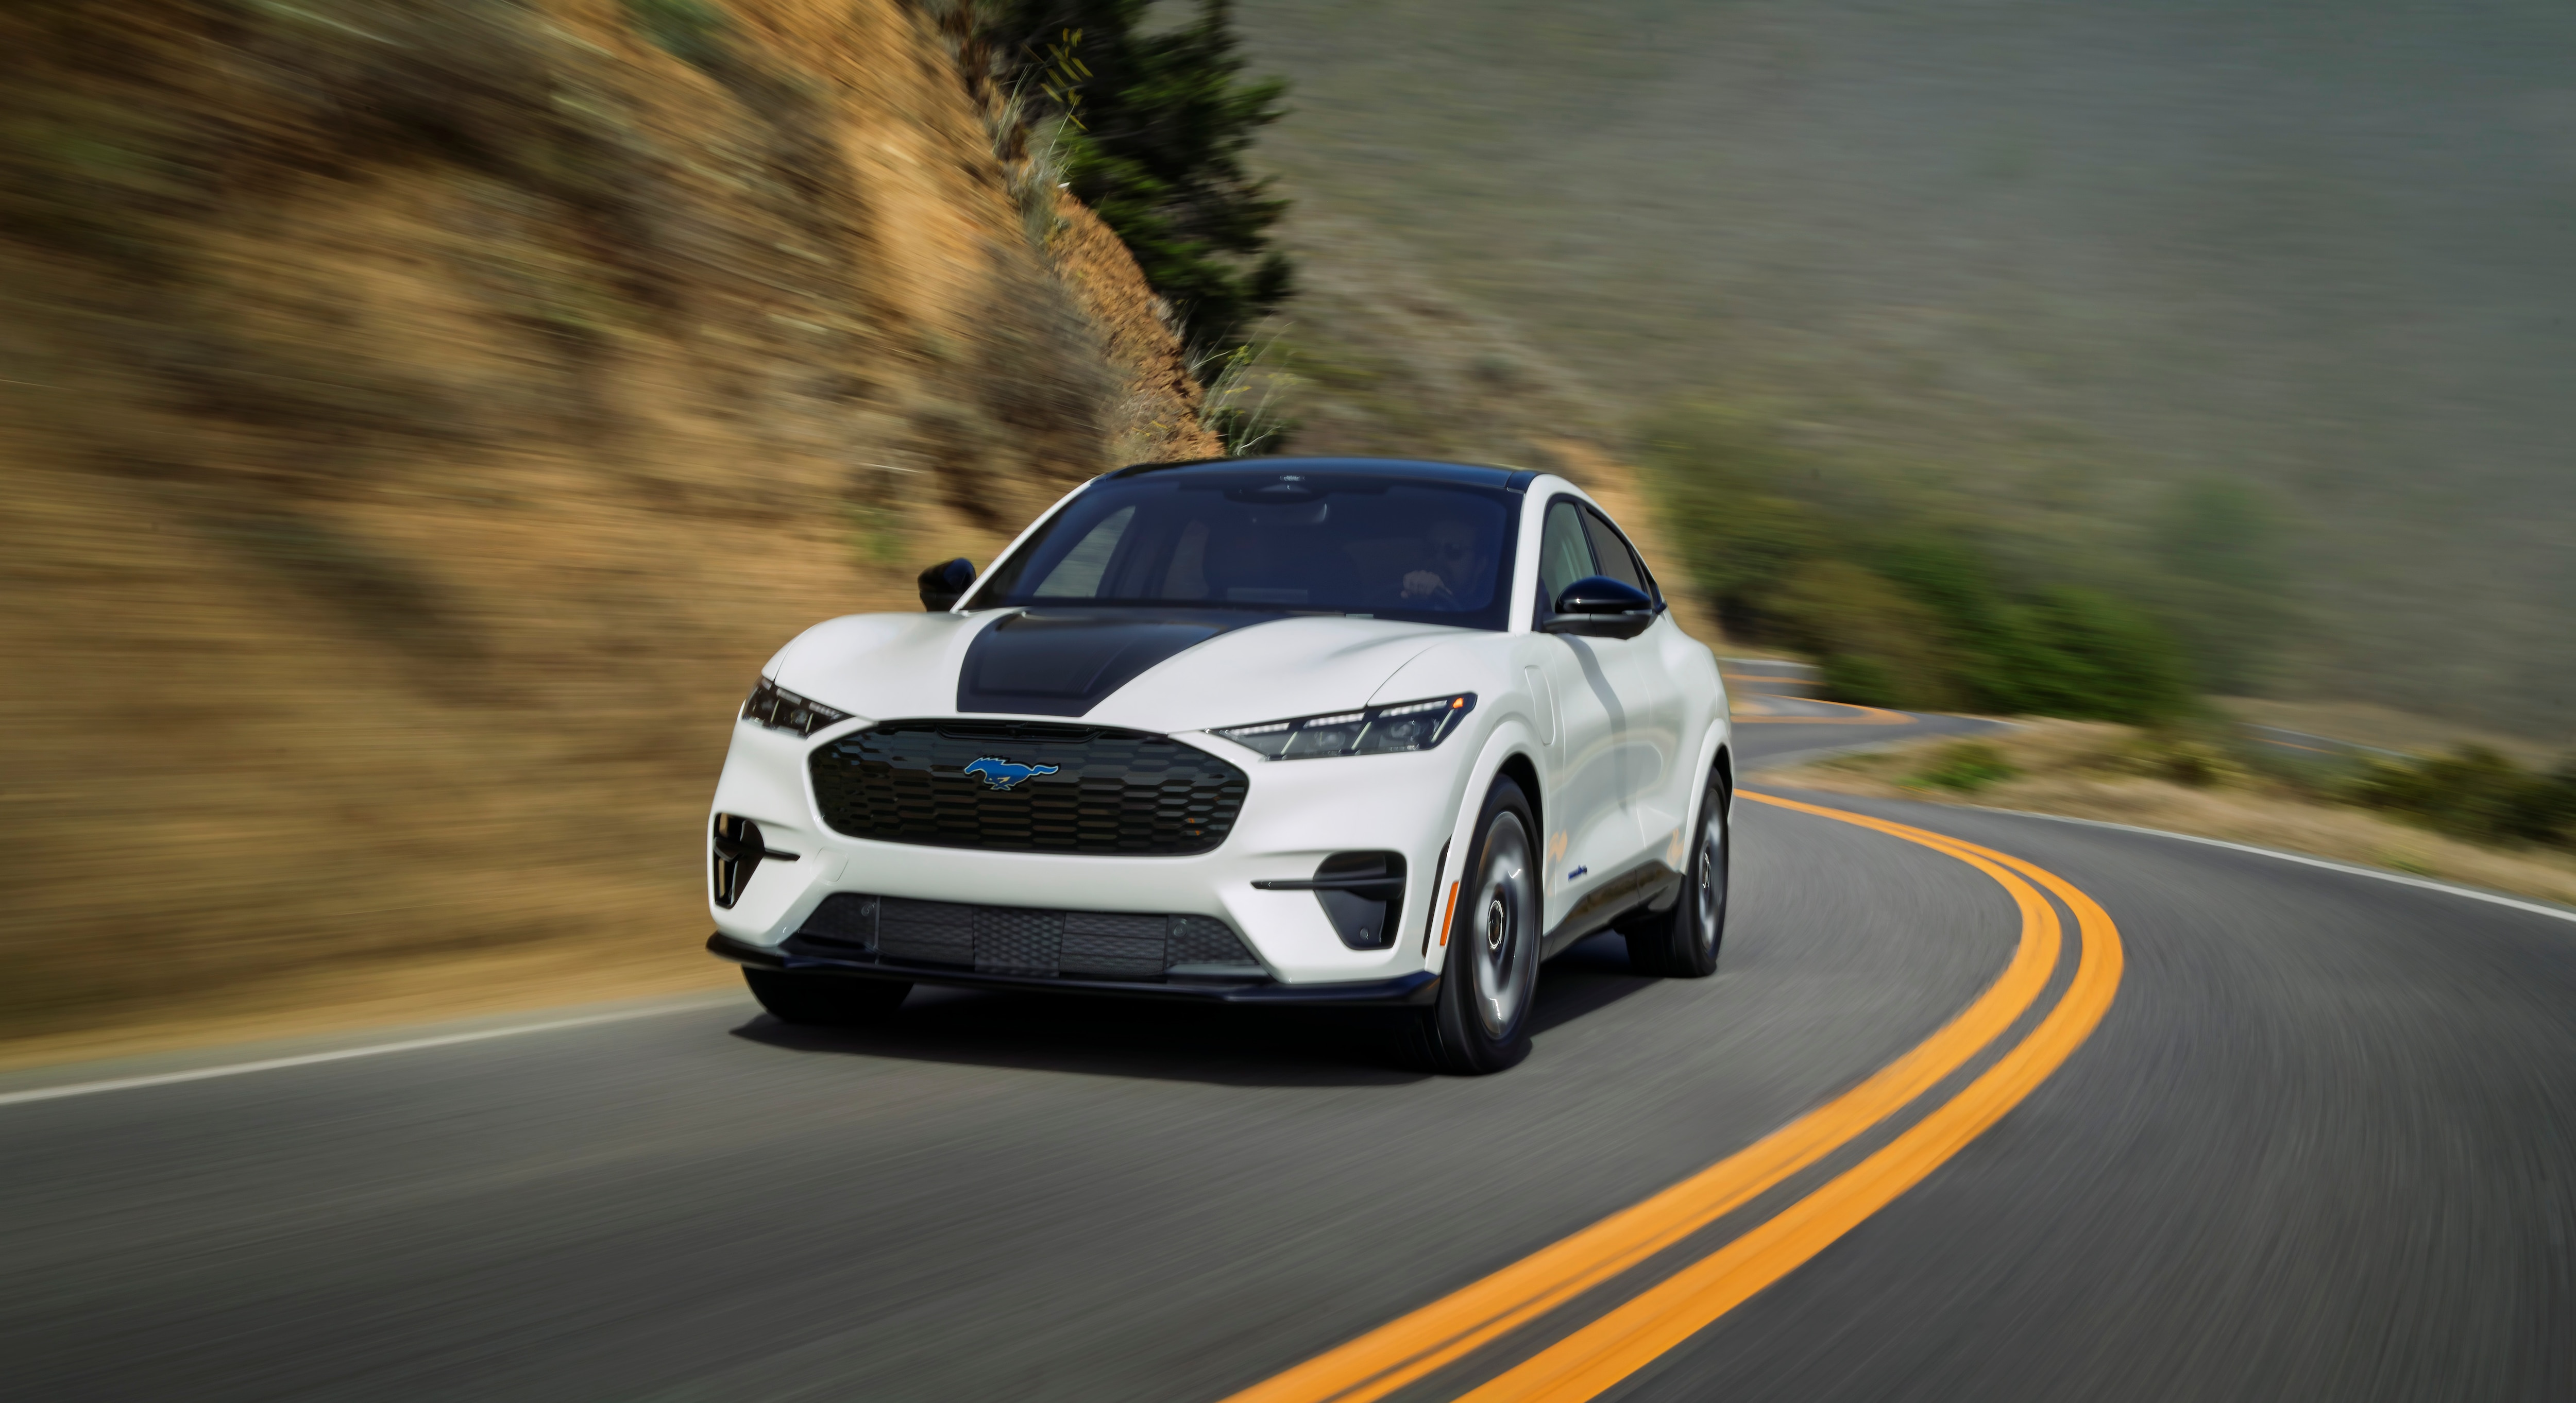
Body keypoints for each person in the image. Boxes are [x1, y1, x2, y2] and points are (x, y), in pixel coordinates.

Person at [1399, 516, 1489, 607]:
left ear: (1480, 565)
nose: (1438, 558)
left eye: (1454, 550)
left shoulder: (1488, 610)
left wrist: (1446, 602)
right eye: (1432, 549)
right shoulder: (1401, 600)